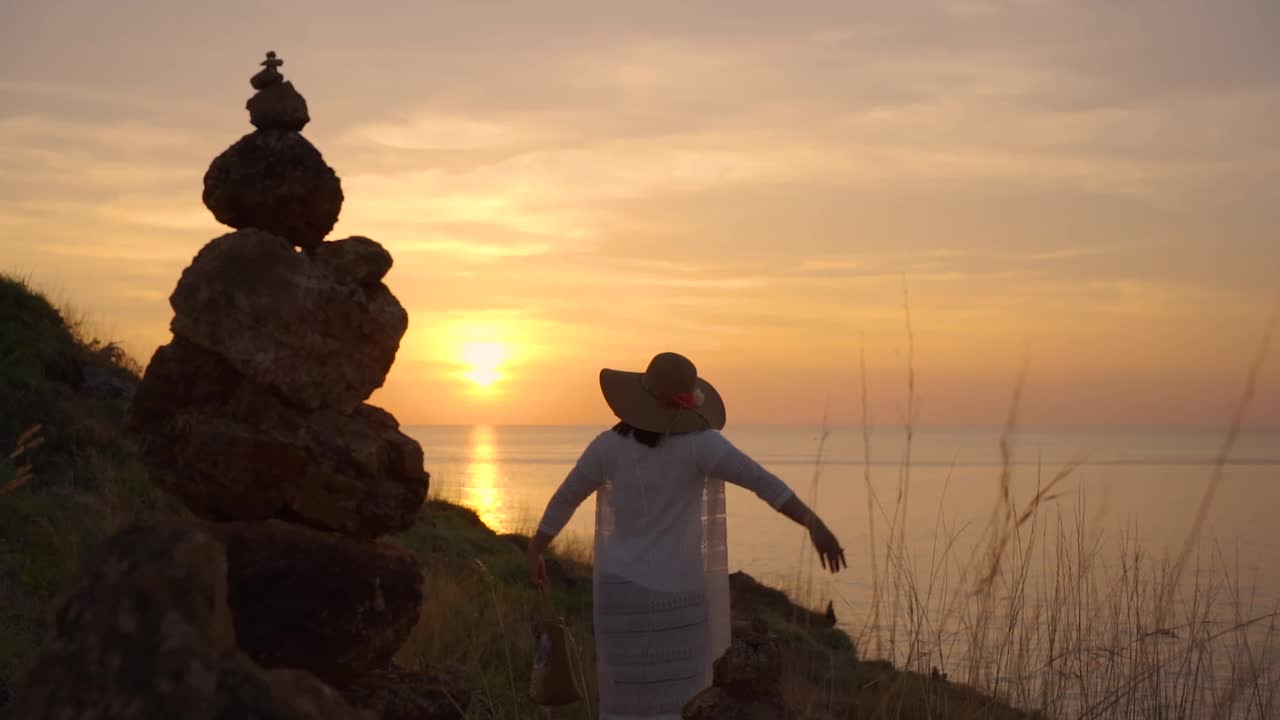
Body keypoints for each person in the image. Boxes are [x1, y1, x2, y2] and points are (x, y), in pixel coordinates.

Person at [527, 352, 846, 719]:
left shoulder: (607, 446)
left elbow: (566, 497)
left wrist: (536, 549)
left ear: (640, 398)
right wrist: (814, 524)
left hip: (620, 596)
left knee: (625, 704)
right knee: (681, 703)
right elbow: (765, 484)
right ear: (688, 402)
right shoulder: (701, 445)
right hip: (677, 597)